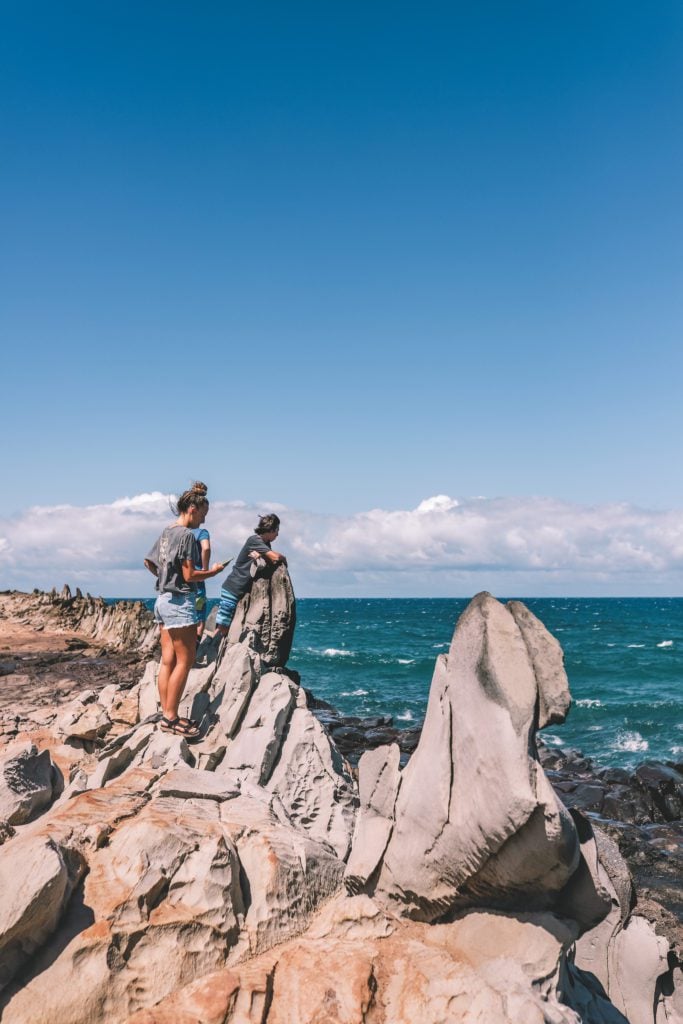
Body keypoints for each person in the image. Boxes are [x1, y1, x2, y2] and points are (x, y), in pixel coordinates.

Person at [144, 482, 226, 739]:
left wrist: (165, 577)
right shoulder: (187, 536)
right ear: (192, 509)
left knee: (167, 659)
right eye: (202, 515)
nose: (202, 521)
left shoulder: (167, 532)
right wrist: (213, 572)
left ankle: (165, 712)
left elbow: (149, 562)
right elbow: (190, 575)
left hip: (162, 601)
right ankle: (171, 717)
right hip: (180, 602)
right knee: (185, 660)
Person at [215, 513, 287, 636]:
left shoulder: (265, 545)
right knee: (223, 627)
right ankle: (210, 651)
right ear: (270, 529)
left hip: (238, 589)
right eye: (277, 530)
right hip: (233, 588)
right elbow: (275, 557)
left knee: (227, 625)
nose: (278, 534)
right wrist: (283, 558)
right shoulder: (255, 540)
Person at [190, 482, 212, 641]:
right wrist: (205, 570)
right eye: (204, 514)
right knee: (200, 619)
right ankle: (195, 649)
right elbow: (206, 548)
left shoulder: (181, 531)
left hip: (182, 583)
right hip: (197, 583)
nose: (205, 518)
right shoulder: (201, 532)